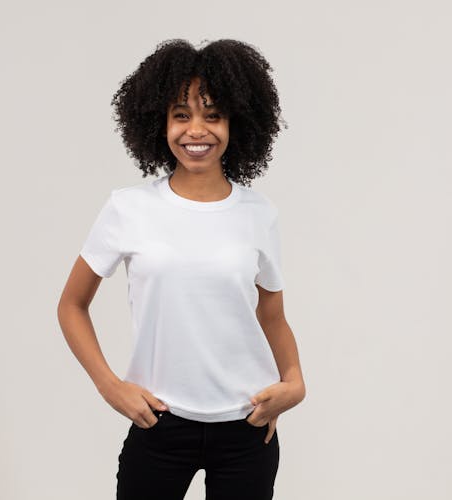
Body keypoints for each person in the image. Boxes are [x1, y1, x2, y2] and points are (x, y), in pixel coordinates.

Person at [56, 38, 306, 500]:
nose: (197, 130)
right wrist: (111, 386)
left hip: (247, 427)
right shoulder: (128, 208)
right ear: (159, 122)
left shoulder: (259, 213)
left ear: (237, 123)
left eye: (213, 115)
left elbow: (272, 315)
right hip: (158, 424)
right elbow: (72, 305)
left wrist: (295, 383)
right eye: (181, 114)